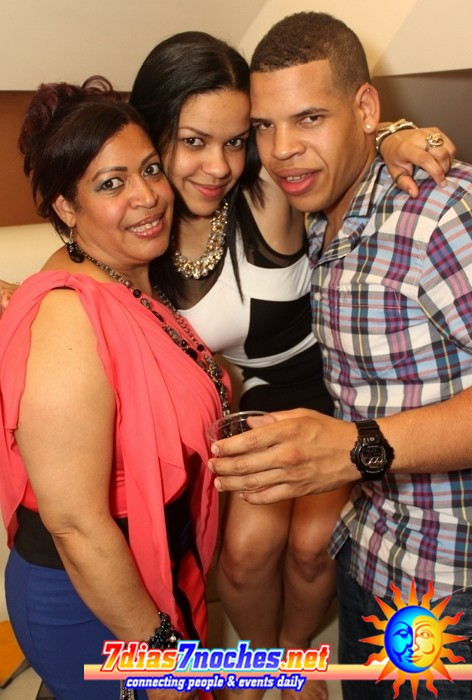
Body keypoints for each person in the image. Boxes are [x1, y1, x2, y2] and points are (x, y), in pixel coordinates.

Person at [0, 32, 455, 700]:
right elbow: (71, 290)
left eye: (238, 139)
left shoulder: (262, 190)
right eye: (192, 142)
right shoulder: (138, 238)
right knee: (243, 554)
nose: (218, 165)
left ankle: (293, 661)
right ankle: (260, 664)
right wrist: (25, 302)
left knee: (313, 545)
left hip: (326, 387)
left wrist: (393, 133)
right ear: (158, 135)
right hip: (237, 409)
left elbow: (326, 143)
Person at [207, 12, 472, 700]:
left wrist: (357, 448)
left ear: (364, 107)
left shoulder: (438, 216)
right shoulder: (328, 216)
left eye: (310, 118)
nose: (282, 151)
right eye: (264, 126)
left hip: (449, 589)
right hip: (370, 558)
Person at [0, 76, 230, 700]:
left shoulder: (124, 278)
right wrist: (160, 657)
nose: (147, 195)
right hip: (91, 596)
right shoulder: (70, 316)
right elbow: (75, 524)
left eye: (150, 169)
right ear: (65, 208)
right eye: (110, 183)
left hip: (153, 567)